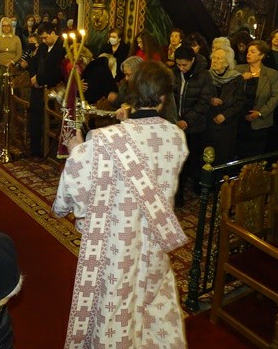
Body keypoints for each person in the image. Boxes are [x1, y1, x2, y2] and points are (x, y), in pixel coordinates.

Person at [53, 60, 188, 347]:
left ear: (131, 92)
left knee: (116, 300)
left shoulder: (105, 139)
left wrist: (76, 148)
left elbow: (77, 181)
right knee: (151, 297)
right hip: (155, 237)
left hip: (117, 239)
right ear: (163, 97)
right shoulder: (177, 137)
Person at [173, 45, 215, 204]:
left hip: (194, 127)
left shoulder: (204, 75)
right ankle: (176, 193)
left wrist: (186, 121)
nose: (181, 68)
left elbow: (204, 102)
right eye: (178, 64)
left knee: (190, 161)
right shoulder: (174, 73)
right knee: (176, 161)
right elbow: (170, 97)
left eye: (185, 65)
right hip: (175, 124)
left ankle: (187, 191)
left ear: (192, 60)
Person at [235, 40, 278, 157]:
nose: (248, 54)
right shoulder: (238, 70)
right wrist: (240, 79)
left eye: (252, 52)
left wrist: (260, 112)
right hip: (239, 119)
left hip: (259, 122)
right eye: (248, 51)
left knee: (255, 153)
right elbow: (230, 90)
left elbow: (276, 96)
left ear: (261, 55)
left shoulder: (272, 74)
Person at [28, 22, 65, 157]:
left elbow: (58, 72)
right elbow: (33, 63)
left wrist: (39, 80)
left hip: (52, 89)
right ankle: (35, 149)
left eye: (45, 37)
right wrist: (34, 78)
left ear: (53, 33)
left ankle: (47, 148)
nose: (43, 41)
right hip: (37, 88)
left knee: (44, 118)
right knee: (34, 117)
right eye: (42, 38)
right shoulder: (43, 47)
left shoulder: (62, 48)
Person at [206, 45, 245, 165]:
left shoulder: (237, 79)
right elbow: (197, 96)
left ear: (227, 63)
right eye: (213, 57)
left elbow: (240, 102)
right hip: (208, 124)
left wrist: (225, 115)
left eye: (218, 58)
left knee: (222, 158)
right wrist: (210, 100)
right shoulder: (206, 76)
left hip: (227, 126)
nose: (214, 60)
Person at [0, 16, 22, 111]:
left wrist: (11, 62)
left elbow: (19, 54)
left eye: (8, 25)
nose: (6, 27)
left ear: (11, 26)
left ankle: (13, 109)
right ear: (1, 27)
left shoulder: (16, 38)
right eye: (4, 26)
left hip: (12, 65)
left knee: (12, 87)